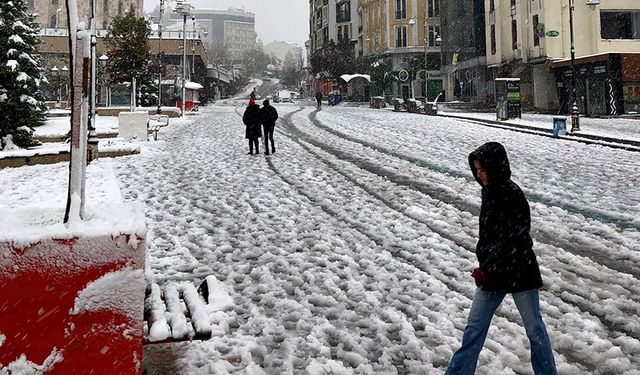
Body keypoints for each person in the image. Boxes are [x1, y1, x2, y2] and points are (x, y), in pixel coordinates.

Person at [445, 142, 557, 375]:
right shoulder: (488, 190)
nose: (479, 174)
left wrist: (492, 263)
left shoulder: (511, 193)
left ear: (495, 167)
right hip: (492, 273)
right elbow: (488, 236)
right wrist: (486, 263)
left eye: (483, 169)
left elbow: (517, 235)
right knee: (474, 329)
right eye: (476, 169)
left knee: (535, 330)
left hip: (519, 272)